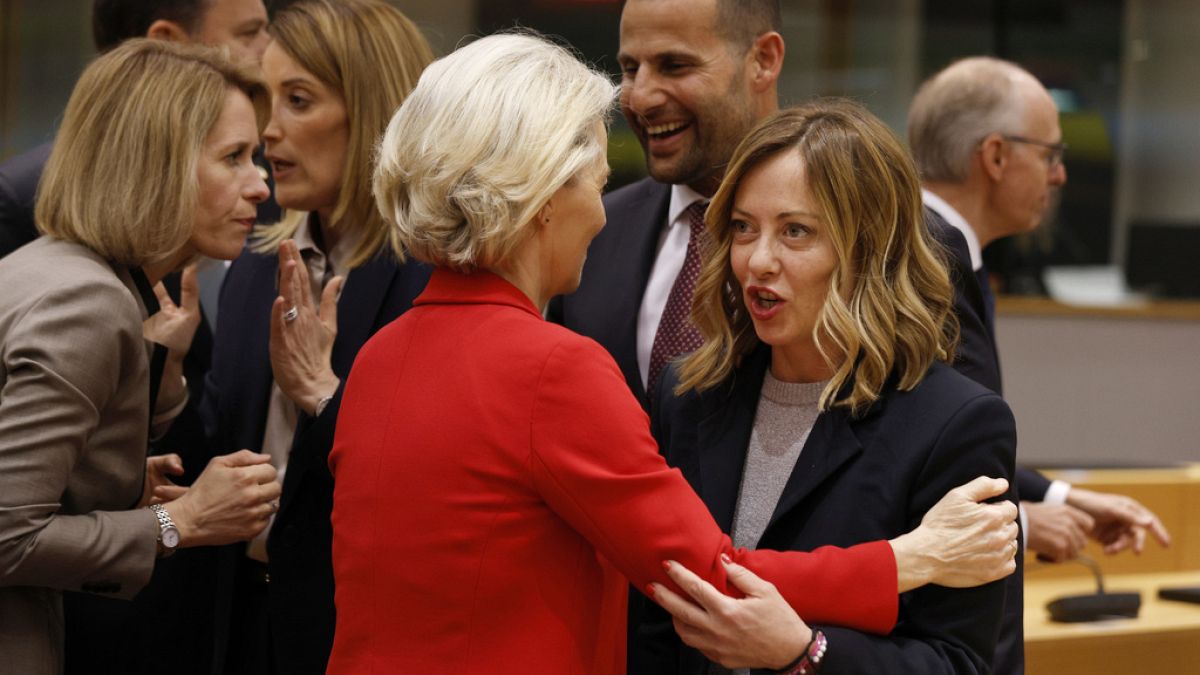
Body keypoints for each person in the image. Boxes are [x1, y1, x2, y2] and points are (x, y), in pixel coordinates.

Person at [328, 31, 1018, 675]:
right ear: (540, 199)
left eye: (797, 231)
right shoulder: (575, 373)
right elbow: (701, 578)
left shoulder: (377, 357)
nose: (603, 214)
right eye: (594, 184)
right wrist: (905, 560)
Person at [636, 99, 1017, 675]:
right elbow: (653, 623)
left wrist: (805, 654)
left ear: (869, 250)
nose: (758, 260)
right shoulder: (688, 392)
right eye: (744, 228)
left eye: (795, 232)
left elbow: (958, 663)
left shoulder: (954, 423)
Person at [0, 38, 281, 675]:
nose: (260, 184)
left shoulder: (50, 264)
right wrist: (180, 518)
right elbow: (7, 536)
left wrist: (116, 481)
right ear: (158, 165)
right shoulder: (90, 302)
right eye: (233, 158)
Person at [198, 1, 434, 672]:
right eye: (265, 98)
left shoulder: (434, 279)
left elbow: (430, 489)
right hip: (241, 620)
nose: (269, 131)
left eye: (298, 101)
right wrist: (170, 376)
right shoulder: (254, 263)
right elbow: (227, 443)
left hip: (360, 630)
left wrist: (325, 396)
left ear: (373, 112)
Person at [908, 56, 1171, 564]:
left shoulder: (941, 251)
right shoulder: (922, 265)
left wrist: (1061, 497)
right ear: (996, 156)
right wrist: (1025, 523)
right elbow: (907, 457)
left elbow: (954, 441)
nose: (1061, 174)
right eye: (1050, 154)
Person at [0, 0, 272, 260]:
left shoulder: (274, 185)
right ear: (167, 42)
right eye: (248, 34)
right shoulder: (22, 202)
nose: (269, 48)